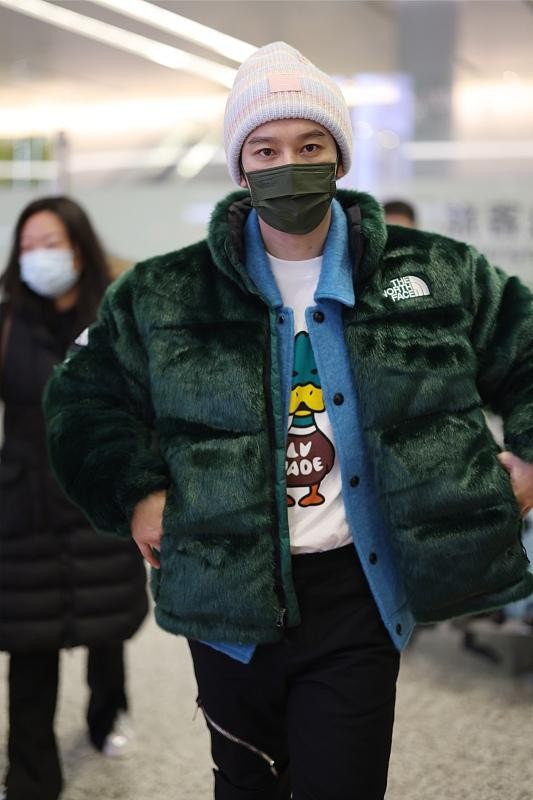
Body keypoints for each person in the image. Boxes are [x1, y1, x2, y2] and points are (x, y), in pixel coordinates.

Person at [43, 43, 533, 800]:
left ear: (339, 157)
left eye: (310, 146)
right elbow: (81, 399)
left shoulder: (435, 273)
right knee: (248, 784)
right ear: (241, 167)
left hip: (359, 591)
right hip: (225, 594)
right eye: (265, 149)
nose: (289, 164)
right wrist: (135, 493)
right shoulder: (166, 291)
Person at [0, 196, 148, 800]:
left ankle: (107, 712)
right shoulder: (7, 321)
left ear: (80, 249)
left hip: (98, 493)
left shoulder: (114, 316)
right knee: (28, 637)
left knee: (104, 620)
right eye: (27, 246)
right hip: (23, 501)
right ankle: (30, 774)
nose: (38, 256)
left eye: (50, 243)